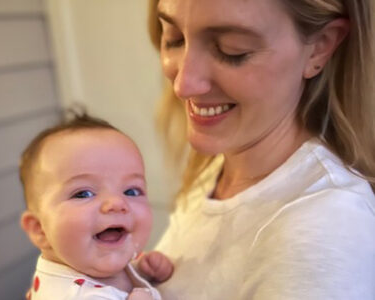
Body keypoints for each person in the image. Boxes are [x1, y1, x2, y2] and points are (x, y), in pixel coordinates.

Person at [137, 0, 375, 299]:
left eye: (231, 50)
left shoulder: (323, 226)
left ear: (319, 47)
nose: (183, 85)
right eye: (174, 39)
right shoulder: (215, 170)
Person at [19, 111, 173, 300]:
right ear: (40, 229)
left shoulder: (82, 262)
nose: (117, 202)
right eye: (84, 193)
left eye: (131, 191)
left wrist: (141, 269)